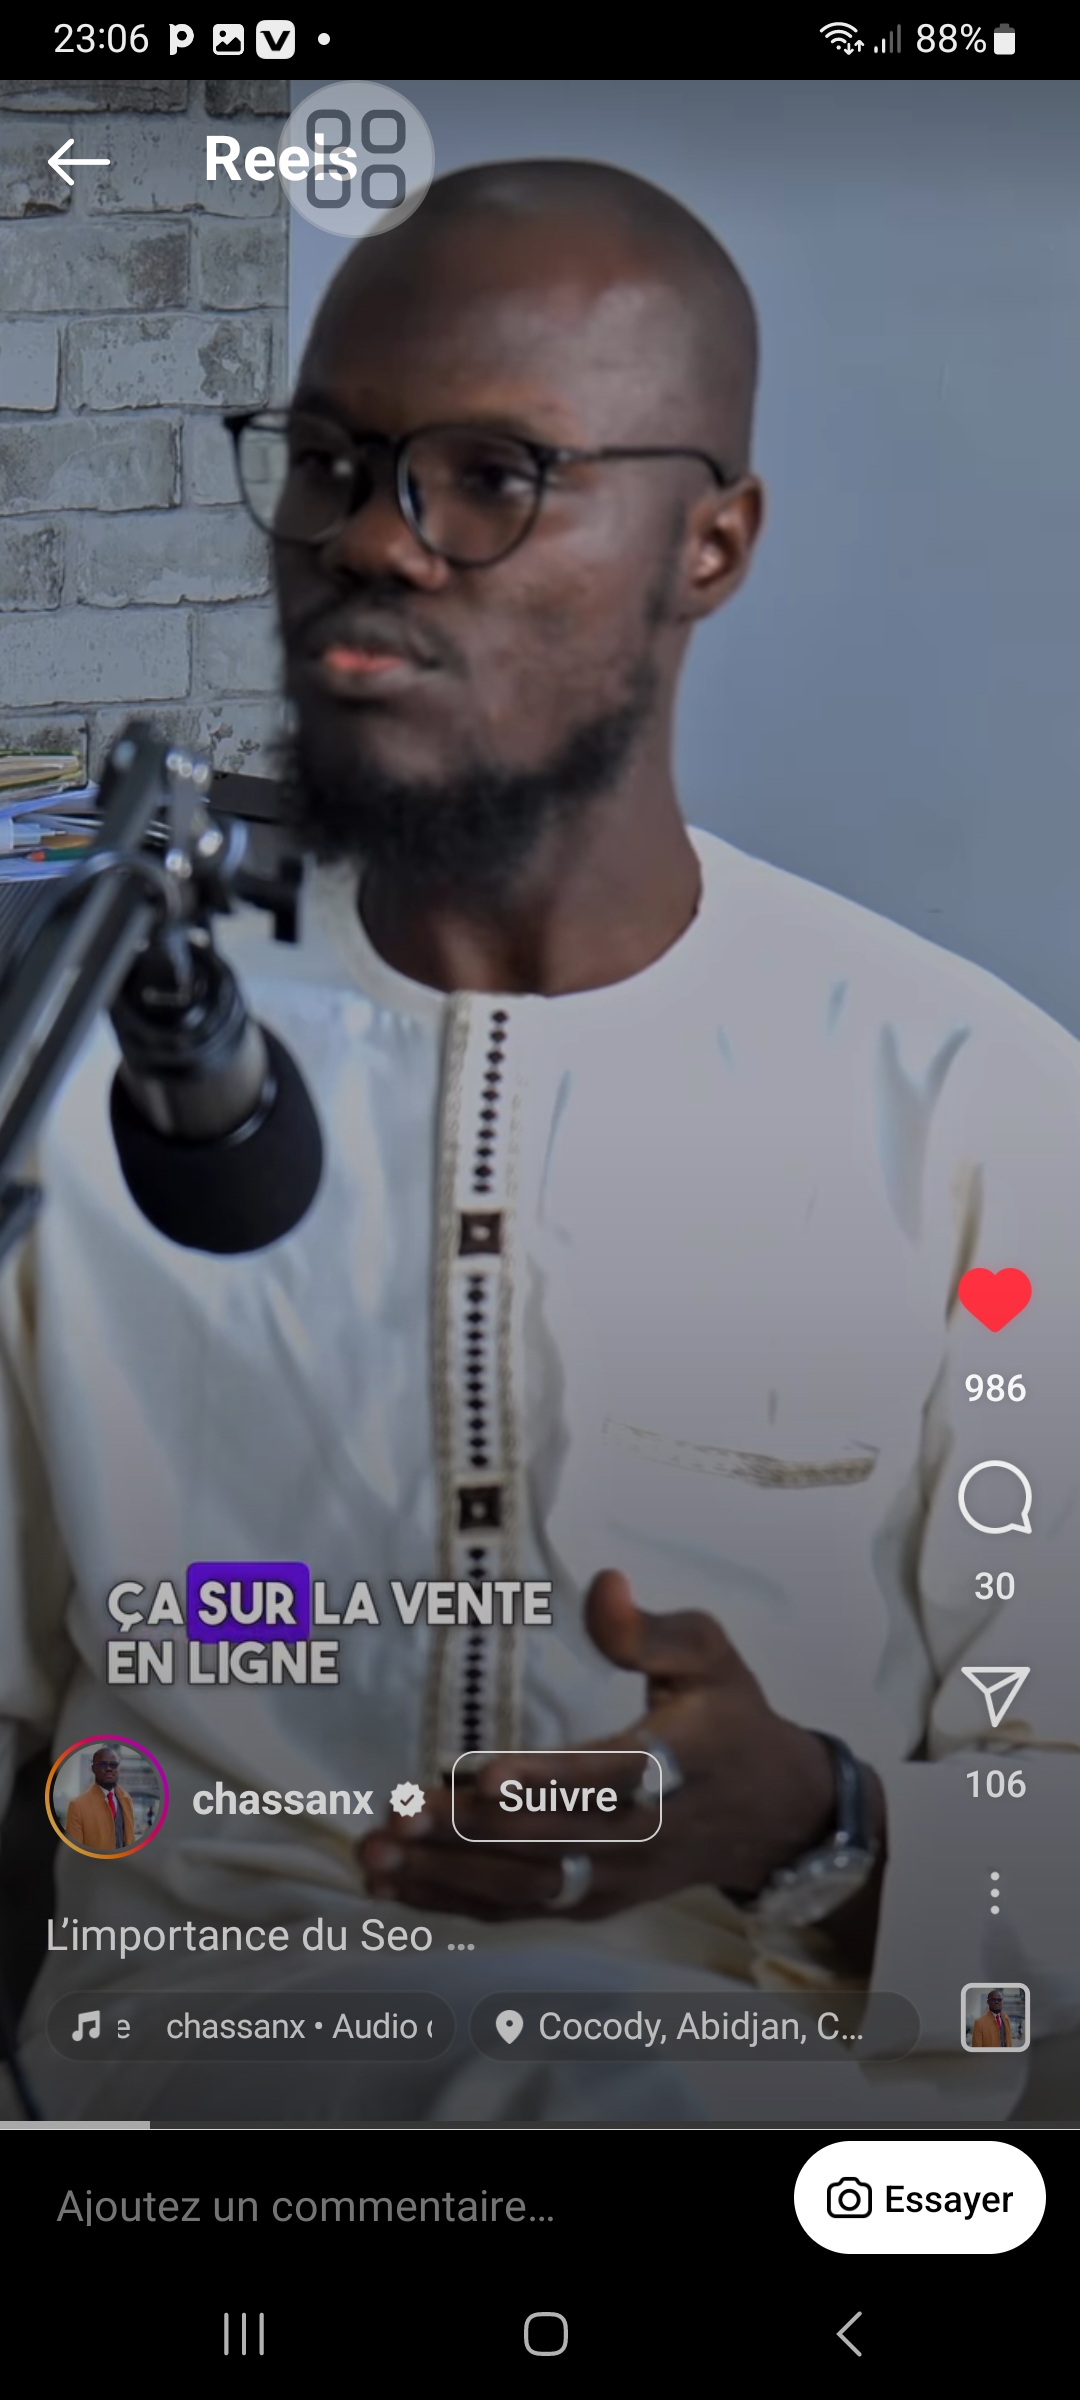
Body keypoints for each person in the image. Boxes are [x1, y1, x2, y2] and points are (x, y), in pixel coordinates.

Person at [1, 157, 1079, 2125]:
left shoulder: (976, 1109)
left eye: (492, 476)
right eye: (330, 463)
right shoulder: (81, 1062)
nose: (373, 541)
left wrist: (813, 1825)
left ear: (711, 546)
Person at [62, 1751, 134, 1855]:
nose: (109, 1768)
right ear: (93, 1769)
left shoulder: (126, 1800)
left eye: (113, 1764)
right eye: (102, 1764)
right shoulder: (77, 1806)